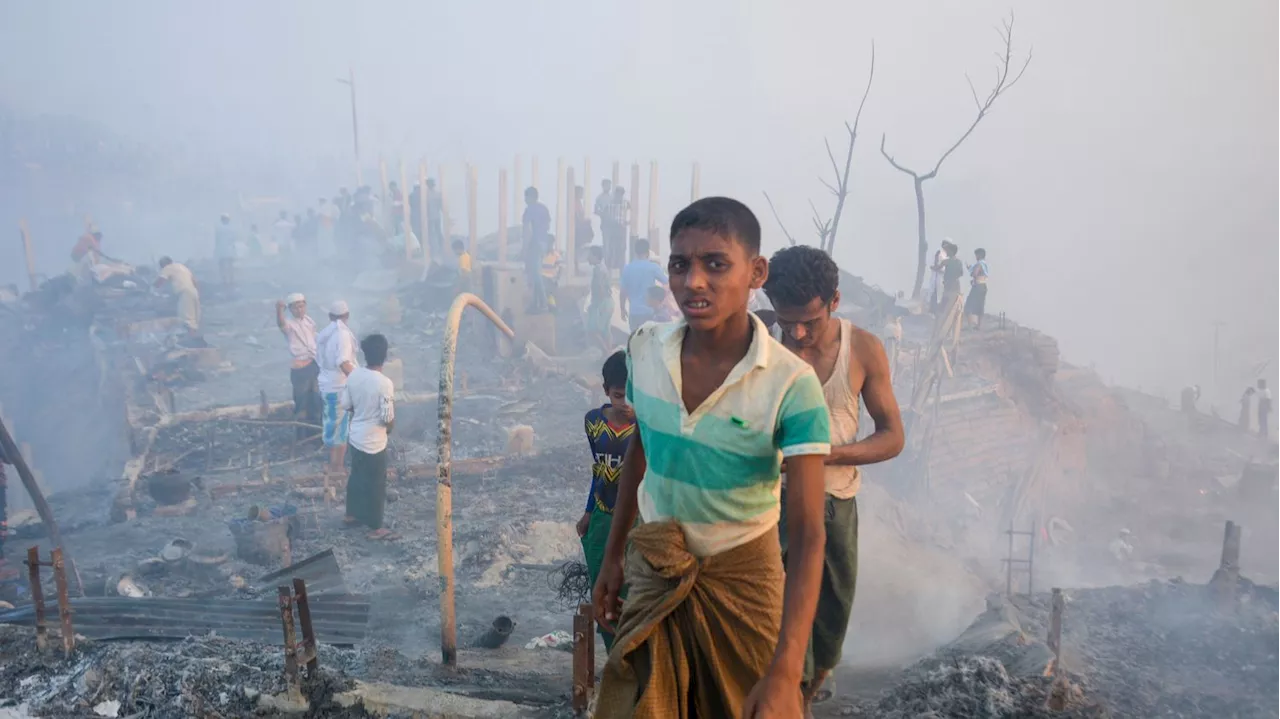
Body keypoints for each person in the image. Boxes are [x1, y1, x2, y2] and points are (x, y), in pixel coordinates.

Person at [593, 197, 832, 719]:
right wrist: (613, 556)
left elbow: (810, 533)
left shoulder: (792, 384)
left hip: (744, 583)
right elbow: (643, 447)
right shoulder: (645, 350)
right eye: (680, 264)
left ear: (755, 272)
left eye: (715, 264)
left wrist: (787, 671)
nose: (693, 281)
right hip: (655, 569)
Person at [763, 245, 905, 710]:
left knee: (830, 621)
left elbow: (892, 436)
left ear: (835, 301)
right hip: (767, 504)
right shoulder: (759, 344)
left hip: (836, 503)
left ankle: (808, 687)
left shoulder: (862, 348)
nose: (798, 334)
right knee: (780, 622)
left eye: (809, 321)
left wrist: (824, 455)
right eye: (788, 322)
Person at [577, 350, 636, 650]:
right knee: (602, 586)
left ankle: (633, 653)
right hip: (603, 515)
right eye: (618, 396)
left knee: (634, 586)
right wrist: (588, 512)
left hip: (637, 518)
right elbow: (599, 470)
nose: (625, 404)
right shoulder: (593, 423)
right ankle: (614, 654)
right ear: (605, 391)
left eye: (631, 396)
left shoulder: (646, 427)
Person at [341, 333, 397, 540]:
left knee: (357, 476)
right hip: (375, 441)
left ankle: (351, 515)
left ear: (365, 354)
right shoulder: (384, 383)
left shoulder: (354, 375)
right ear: (385, 355)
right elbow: (387, 417)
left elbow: (346, 405)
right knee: (376, 483)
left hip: (355, 436)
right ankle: (376, 527)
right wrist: (390, 428)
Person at [317, 301, 357, 475]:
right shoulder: (342, 335)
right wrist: (361, 379)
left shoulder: (325, 333)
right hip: (339, 387)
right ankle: (337, 468)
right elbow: (343, 362)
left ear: (330, 317)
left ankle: (333, 464)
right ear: (347, 316)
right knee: (341, 429)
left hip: (327, 385)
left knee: (332, 426)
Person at [276, 293, 320, 438]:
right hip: (300, 369)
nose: (299, 310)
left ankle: (315, 433)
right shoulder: (290, 324)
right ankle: (302, 436)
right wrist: (279, 311)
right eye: (296, 308)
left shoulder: (309, 321)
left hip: (313, 364)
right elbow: (281, 324)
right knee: (302, 403)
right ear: (290, 310)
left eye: (301, 306)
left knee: (316, 399)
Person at [618, 238, 668, 333]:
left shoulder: (627, 269)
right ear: (648, 252)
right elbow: (667, 282)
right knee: (648, 341)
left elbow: (623, 292)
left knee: (635, 342)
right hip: (649, 312)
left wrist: (622, 309)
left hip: (634, 312)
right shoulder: (653, 267)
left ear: (635, 252)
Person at [522, 187, 552, 313]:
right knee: (537, 273)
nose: (525, 200)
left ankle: (543, 303)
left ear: (531, 197)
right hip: (544, 243)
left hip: (534, 244)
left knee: (535, 274)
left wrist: (525, 247)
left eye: (526, 197)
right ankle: (537, 303)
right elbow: (548, 226)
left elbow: (527, 230)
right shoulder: (544, 208)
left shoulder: (529, 210)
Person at [155, 257, 201, 337]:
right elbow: (194, 281)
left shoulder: (167, 268)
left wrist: (153, 287)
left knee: (186, 319)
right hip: (194, 291)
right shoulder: (182, 267)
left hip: (184, 292)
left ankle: (191, 338)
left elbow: (160, 281)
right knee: (194, 317)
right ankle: (193, 337)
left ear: (163, 265)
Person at [586, 245, 615, 352]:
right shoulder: (603, 268)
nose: (587, 258)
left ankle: (607, 353)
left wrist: (595, 305)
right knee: (606, 331)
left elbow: (600, 288)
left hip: (601, 303)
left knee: (593, 330)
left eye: (589, 255)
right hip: (608, 302)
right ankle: (609, 352)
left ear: (595, 256)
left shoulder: (598, 269)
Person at [602, 186, 630, 270]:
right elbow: (605, 216)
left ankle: (621, 266)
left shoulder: (626, 203)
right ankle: (610, 266)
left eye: (621, 194)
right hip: (612, 228)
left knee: (622, 247)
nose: (619, 196)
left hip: (622, 228)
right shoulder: (609, 204)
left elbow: (631, 215)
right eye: (617, 194)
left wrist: (627, 222)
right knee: (611, 247)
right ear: (615, 194)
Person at [965, 248, 990, 329]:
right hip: (983, 286)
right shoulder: (985, 264)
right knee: (980, 306)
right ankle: (979, 326)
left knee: (968, 305)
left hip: (978, 287)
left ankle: (970, 326)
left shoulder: (979, 264)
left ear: (979, 255)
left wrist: (970, 270)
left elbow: (975, 274)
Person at [215, 214, 237, 285]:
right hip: (229, 250)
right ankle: (231, 279)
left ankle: (224, 280)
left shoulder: (218, 229)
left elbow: (217, 240)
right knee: (230, 265)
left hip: (222, 250)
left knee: (222, 265)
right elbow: (233, 239)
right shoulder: (231, 229)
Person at [426, 179, 445, 258]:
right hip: (437, 216)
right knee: (438, 232)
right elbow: (441, 206)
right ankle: (442, 247)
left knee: (431, 233)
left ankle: (433, 250)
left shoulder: (425, 195)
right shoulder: (438, 194)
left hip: (429, 217)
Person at [928, 241, 949, 312]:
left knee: (941, 293)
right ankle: (934, 310)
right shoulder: (939, 253)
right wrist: (937, 269)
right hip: (938, 276)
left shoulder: (948, 254)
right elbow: (935, 265)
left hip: (943, 277)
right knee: (935, 292)